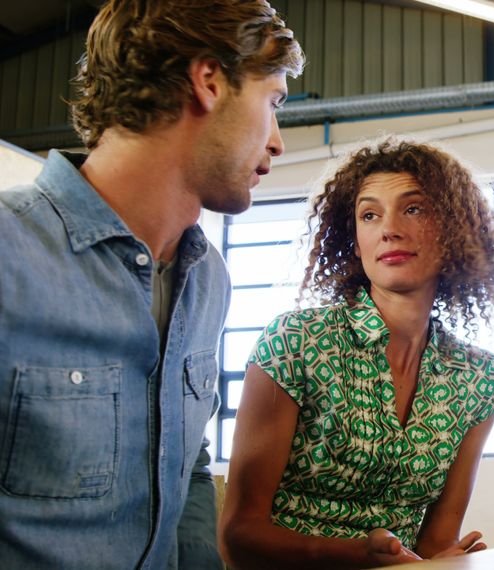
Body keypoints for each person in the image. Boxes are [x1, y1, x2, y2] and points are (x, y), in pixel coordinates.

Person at [0, 1, 304, 567]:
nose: (277, 141)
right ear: (209, 81)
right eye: (274, 101)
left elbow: (185, 463)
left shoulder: (206, 277)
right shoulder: (9, 252)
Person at [218, 139, 494, 568]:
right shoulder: (297, 341)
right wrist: (360, 557)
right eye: (369, 215)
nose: (389, 229)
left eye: (413, 208)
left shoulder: (477, 377)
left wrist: (440, 562)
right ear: (355, 242)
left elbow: (433, 544)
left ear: (454, 230)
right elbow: (238, 538)